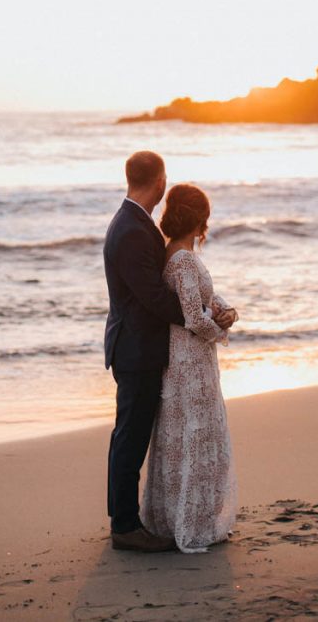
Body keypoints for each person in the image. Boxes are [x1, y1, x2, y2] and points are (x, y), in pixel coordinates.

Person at [103, 151, 233, 552]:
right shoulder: (131, 230)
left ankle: (136, 519)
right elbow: (157, 298)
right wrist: (206, 318)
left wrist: (209, 309)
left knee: (139, 436)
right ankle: (125, 526)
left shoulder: (137, 225)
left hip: (146, 348)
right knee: (130, 438)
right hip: (136, 350)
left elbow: (164, 292)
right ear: (159, 182)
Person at [140, 183, 239, 553]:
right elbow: (192, 317)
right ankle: (189, 522)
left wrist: (226, 309)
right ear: (200, 219)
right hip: (188, 360)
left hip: (190, 356)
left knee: (188, 434)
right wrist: (220, 330)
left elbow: (203, 299)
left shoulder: (178, 254)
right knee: (192, 434)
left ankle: (191, 516)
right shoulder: (181, 259)